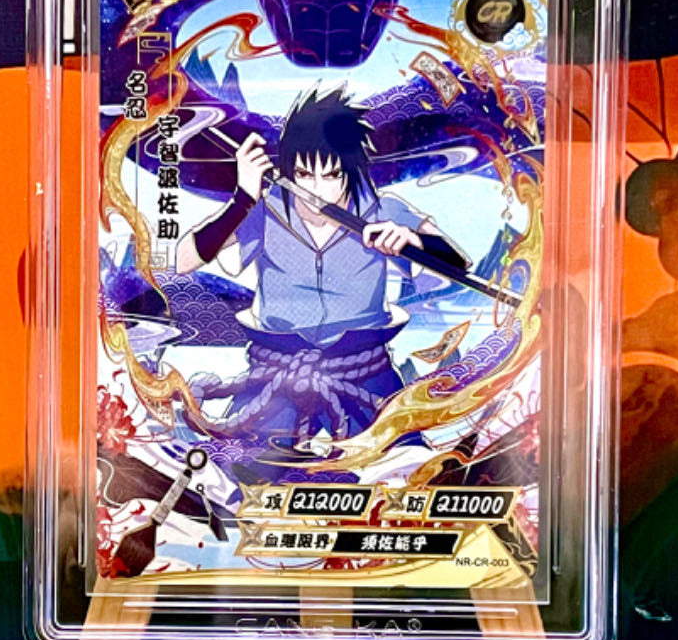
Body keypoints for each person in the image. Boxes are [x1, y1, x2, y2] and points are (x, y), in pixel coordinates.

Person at [175, 86, 467, 446]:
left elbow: (458, 262)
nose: (317, 190)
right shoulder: (266, 210)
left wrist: (413, 240)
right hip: (277, 371)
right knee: (238, 467)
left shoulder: (382, 210)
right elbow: (183, 260)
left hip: (366, 371)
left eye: (331, 176)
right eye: (304, 174)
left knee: (410, 466)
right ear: (288, 171)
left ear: (351, 170)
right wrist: (243, 199)